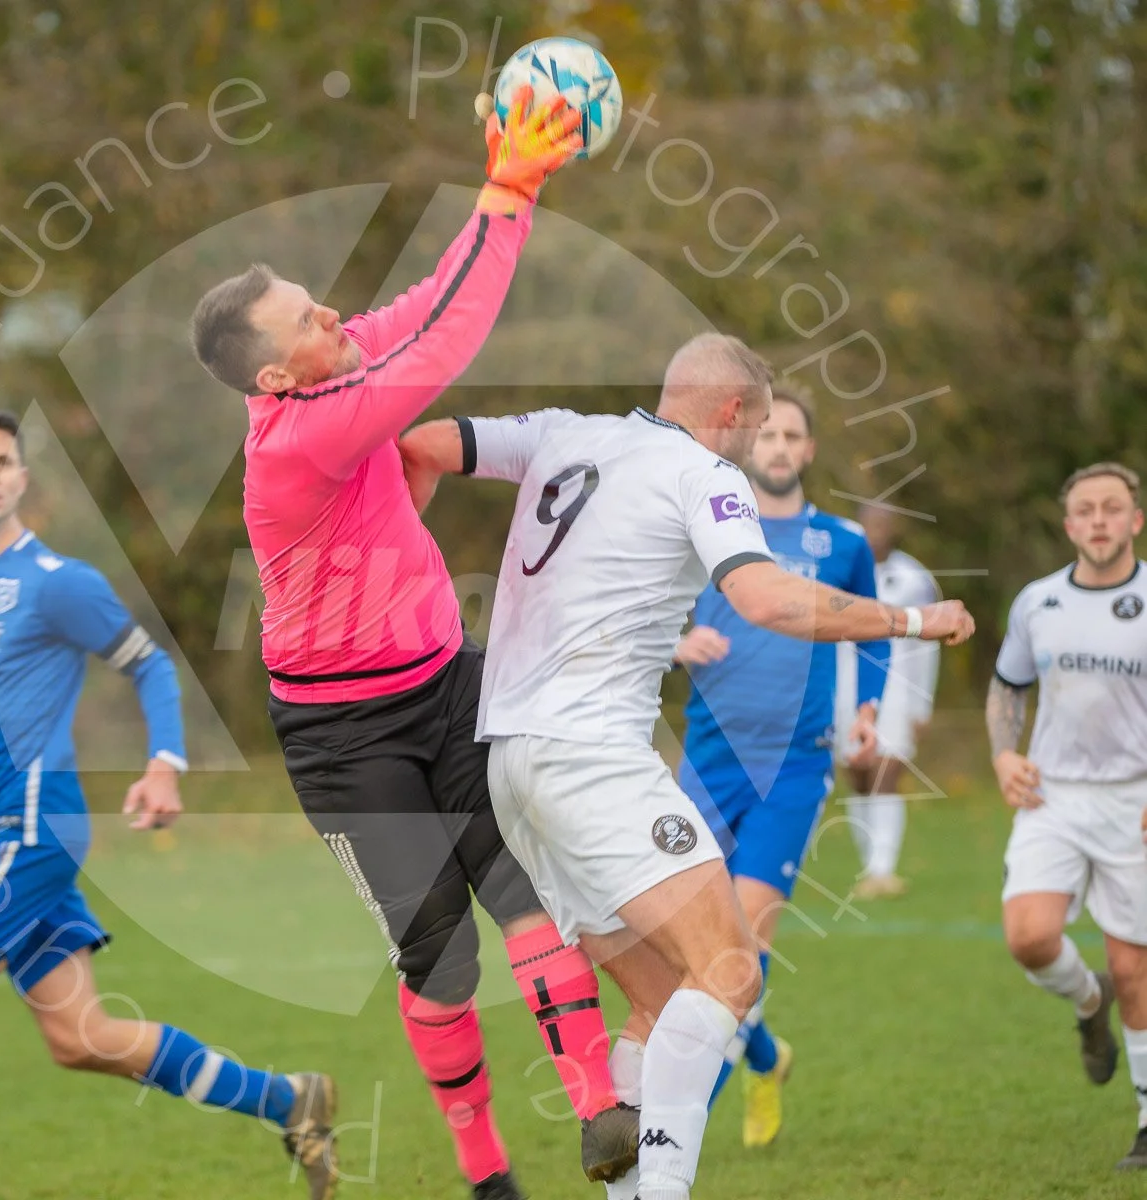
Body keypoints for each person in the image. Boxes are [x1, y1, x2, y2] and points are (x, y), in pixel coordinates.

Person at [397, 332, 974, 1200]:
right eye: (755, 425)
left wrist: (402, 550)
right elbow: (767, 597)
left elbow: (426, 443)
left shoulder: (565, 430)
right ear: (734, 412)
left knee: (667, 999)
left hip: (509, 764)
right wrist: (913, 624)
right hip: (590, 758)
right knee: (734, 970)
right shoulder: (705, 474)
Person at [189, 92, 637, 1199]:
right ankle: (484, 1167)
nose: (332, 310)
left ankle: (598, 1110)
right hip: (342, 738)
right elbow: (442, 352)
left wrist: (506, 195)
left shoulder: (332, 368)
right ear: (274, 378)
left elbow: (432, 303)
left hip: (448, 688)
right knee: (442, 953)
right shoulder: (301, 433)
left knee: (524, 887)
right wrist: (508, 190)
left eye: (313, 296)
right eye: (305, 316)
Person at [0, 408, 336, 1200]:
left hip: (31, 834)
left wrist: (164, 766)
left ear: (21, 478)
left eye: (3, 462)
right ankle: (287, 1099)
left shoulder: (60, 586)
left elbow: (151, 666)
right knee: (81, 1039)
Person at [671, 385, 889, 1149]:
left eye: (791, 434)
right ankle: (766, 1059)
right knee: (678, 953)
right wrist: (675, 640)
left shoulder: (843, 542)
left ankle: (675, 1129)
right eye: (766, 434)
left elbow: (875, 631)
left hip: (795, 770)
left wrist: (868, 711)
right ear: (747, 445)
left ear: (807, 450)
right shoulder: (704, 529)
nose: (777, 446)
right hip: (706, 763)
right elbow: (647, 606)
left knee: (738, 961)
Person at [988, 461, 1147, 1172]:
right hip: (1052, 796)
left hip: (1133, 800)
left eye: (1114, 508)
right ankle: (1089, 1004)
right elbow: (1006, 688)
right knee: (1029, 936)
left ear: (1135, 520)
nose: (1101, 520)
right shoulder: (1037, 602)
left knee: (1135, 965)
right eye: (1087, 510)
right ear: (1070, 525)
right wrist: (1000, 755)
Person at [834, 502, 942, 899]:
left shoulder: (913, 578)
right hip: (844, 690)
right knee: (858, 776)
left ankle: (884, 868)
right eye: (869, 524)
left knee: (886, 772)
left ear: (893, 528)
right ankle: (869, 868)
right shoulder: (841, 570)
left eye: (883, 523)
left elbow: (929, 645)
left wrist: (922, 704)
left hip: (896, 690)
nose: (876, 531)